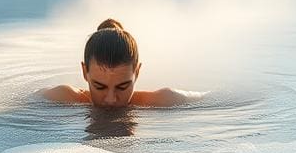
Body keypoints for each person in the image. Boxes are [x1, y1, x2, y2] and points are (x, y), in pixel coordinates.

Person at [40, 18, 193, 108]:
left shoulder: (165, 100)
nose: (111, 99)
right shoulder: (62, 97)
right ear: (84, 72)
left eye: (122, 86)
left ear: (137, 72)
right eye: (100, 86)